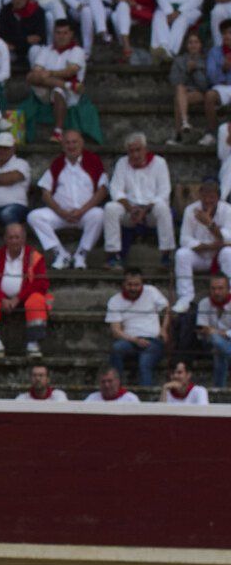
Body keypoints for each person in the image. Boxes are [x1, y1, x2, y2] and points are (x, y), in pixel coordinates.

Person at [26, 130, 109, 269]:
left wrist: (82, 211)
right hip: (61, 214)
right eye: (67, 142)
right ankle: (60, 254)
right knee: (34, 217)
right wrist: (60, 211)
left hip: (85, 214)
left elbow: (103, 190)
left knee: (99, 214)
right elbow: (45, 192)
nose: (71, 146)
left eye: (74, 142)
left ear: (81, 143)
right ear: (63, 145)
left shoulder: (93, 161)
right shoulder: (57, 164)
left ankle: (81, 255)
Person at [94, 132, 174, 263]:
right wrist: (131, 209)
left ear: (145, 149)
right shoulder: (122, 163)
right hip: (130, 211)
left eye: (138, 150)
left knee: (163, 208)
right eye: (131, 151)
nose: (135, 154)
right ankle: (113, 255)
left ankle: (166, 254)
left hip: (150, 211)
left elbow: (164, 192)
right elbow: (116, 190)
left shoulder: (159, 163)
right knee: (110, 208)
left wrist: (145, 210)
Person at [0, 222, 50, 359]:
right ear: (5, 239)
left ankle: (33, 343)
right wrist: (2, 299)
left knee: (37, 300)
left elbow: (40, 283)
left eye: (17, 237)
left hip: (25, 297)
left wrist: (18, 298)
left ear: (24, 238)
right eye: (11, 237)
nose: (14, 241)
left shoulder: (35, 257)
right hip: (2, 298)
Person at [173, 177, 231, 314]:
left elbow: (228, 238)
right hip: (199, 255)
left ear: (218, 197)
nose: (208, 201)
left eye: (212, 197)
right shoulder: (191, 210)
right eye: (205, 196)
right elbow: (185, 239)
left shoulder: (228, 210)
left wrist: (210, 224)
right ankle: (185, 298)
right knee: (181, 254)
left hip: (219, 256)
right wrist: (208, 246)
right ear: (200, 195)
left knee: (228, 253)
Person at [106, 268, 170, 388]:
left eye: (137, 285)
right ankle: (116, 388)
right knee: (116, 348)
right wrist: (135, 340)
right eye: (129, 284)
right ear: (123, 284)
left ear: (142, 284)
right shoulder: (115, 301)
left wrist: (164, 329)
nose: (133, 288)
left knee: (144, 363)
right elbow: (115, 330)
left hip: (153, 340)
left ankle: (145, 399)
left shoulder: (151, 291)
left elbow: (167, 309)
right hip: (130, 341)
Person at [27, 21, 89, 144]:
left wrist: (50, 73)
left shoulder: (77, 51)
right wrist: (62, 81)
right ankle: (66, 84)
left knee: (58, 90)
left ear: (71, 34)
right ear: (54, 34)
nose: (61, 36)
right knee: (30, 76)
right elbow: (36, 72)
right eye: (58, 33)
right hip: (62, 87)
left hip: (69, 94)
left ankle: (58, 131)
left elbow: (70, 72)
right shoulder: (47, 49)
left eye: (65, 33)